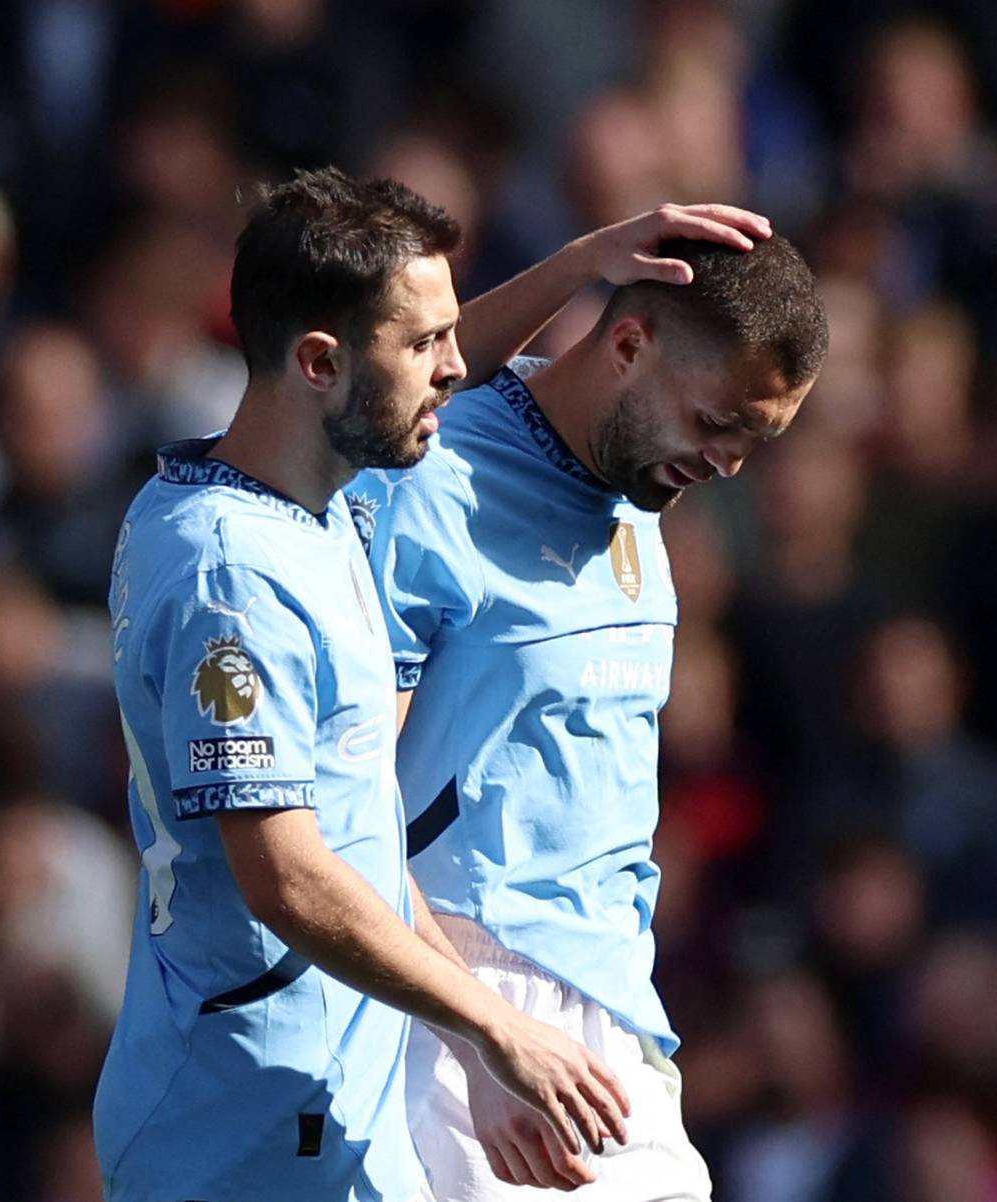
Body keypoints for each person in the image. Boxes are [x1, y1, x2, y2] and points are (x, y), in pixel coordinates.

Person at [94, 168, 772, 1202]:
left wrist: (586, 262)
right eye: (426, 348)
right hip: (243, 1107)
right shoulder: (231, 573)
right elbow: (286, 872)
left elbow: (416, 357)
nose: (458, 373)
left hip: (335, 1092)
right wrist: (487, 1026)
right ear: (319, 364)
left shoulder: (317, 515)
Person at [348, 234, 828, 1199]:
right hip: (466, 1013)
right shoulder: (430, 486)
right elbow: (347, 806)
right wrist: (478, 1035)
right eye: (719, 421)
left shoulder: (642, 483)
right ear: (629, 346)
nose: (731, 465)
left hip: (619, 1017)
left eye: (757, 441)